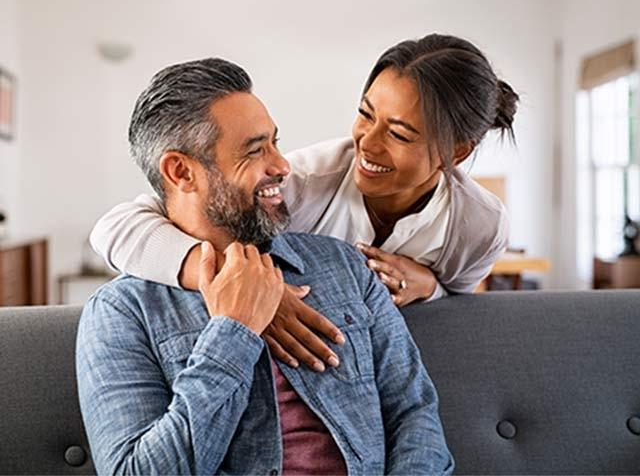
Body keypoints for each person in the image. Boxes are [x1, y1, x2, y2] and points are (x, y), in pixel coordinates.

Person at [76, 57, 453, 475]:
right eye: (256, 150)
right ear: (181, 171)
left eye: (275, 142)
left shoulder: (345, 265)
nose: (282, 165)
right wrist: (232, 332)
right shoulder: (121, 312)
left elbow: (414, 413)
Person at [90, 33, 517, 371]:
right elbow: (115, 229)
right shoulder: (305, 181)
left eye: (400, 134)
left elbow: (459, 310)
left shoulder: (479, 226)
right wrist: (245, 286)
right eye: (365, 114)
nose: (366, 142)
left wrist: (431, 287)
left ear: (456, 152)